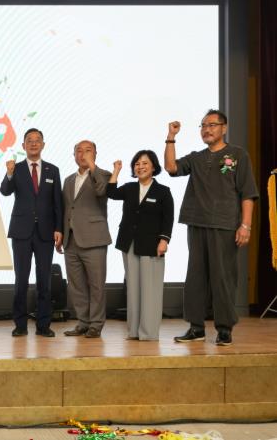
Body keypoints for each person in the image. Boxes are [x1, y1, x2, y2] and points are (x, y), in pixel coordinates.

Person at [165, 109, 259, 346]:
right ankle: (196, 328)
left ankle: (224, 328)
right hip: (197, 222)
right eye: (203, 126)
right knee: (195, 277)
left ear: (224, 128)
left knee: (223, 278)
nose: (206, 130)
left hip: (225, 224)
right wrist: (171, 137)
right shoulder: (196, 157)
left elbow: (248, 193)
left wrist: (246, 225)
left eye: (212, 125)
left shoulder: (238, 155)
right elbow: (171, 167)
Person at [0, 128, 63, 338]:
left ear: (43, 145)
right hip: (21, 232)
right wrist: (9, 174)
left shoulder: (53, 170)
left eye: (37, 140)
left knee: (44, 280)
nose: (34, 143)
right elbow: (5, 191)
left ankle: (43, 325)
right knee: (21, 280)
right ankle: (20, 324)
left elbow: (57, 203)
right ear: (23, 146)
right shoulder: (15, 168)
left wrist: (59, 228)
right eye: (29, 140)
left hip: (46, 232)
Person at [107, 150, 174, 341]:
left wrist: (164, 240)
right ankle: (134, 331)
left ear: (153, 167)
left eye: (145, 163)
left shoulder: (163, 191)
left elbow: (168, 218)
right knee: (133, 289)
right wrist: (116, 171)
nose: (140, 167)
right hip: (129, 244)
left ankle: (149, 332)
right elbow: (111, 193)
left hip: (152, 245)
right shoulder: (129, 188)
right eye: (137, 164)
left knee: (150, 290)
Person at [62, 140, 112, 338]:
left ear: (95, 154)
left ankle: (96, 324)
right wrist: (61, 233)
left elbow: (102, 190)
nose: (82, 154)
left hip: (94, 239)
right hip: (71, 239)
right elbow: (67, 209)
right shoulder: (68, 180)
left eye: (88, 151)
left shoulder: (104, 175)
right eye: (79, 151)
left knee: (97, 285)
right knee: (77, 285)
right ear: (74, 155)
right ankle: (83, 322)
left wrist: (92, 167)